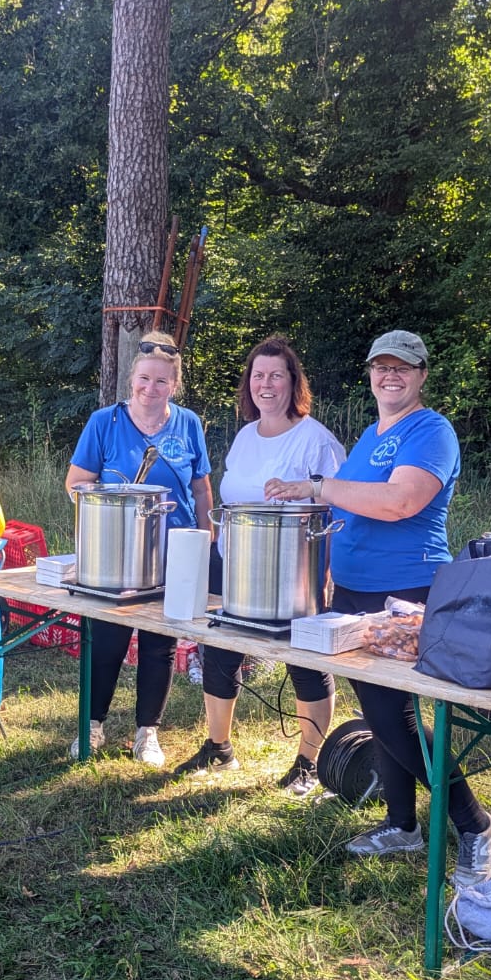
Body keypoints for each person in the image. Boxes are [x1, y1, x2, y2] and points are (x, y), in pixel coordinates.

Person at [264, 329, 491, 887]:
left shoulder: (432, 431)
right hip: (352, 592)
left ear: (422, 375)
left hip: (405, 593)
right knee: (378, 714)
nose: (390, 376)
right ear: (370, 375)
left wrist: (317, 487)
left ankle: (475, 825)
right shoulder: (372, 434)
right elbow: (352, 510)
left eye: (403, 367)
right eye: (381, 367)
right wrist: (328, 571)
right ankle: (402, 825)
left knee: (395, 720)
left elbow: (400, 502)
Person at [172, 335, 345, 795]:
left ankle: (309, 762)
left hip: (294, 571)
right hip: (234, 564)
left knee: (304, 663)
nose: (265, 384)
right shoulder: (246, 437)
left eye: (276, 375)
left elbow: (340, 508)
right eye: (258, 375)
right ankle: (219, 747)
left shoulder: (317, 440)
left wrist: (327, 573)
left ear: (294, 382)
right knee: (220, 649)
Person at [65, 332, 214, 766]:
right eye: (144, 379)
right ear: (131, 378)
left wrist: (206, 538)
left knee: (159, 643)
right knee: (107, 638)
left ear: (175, 386)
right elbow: (76, 484)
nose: (151, 389)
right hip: (115, 550)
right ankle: (91, 724)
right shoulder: (104, 422)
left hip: (174, 551)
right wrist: (107, 506)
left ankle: (147, 732)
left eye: (162, 382)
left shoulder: (188, 424)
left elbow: (202, 489)